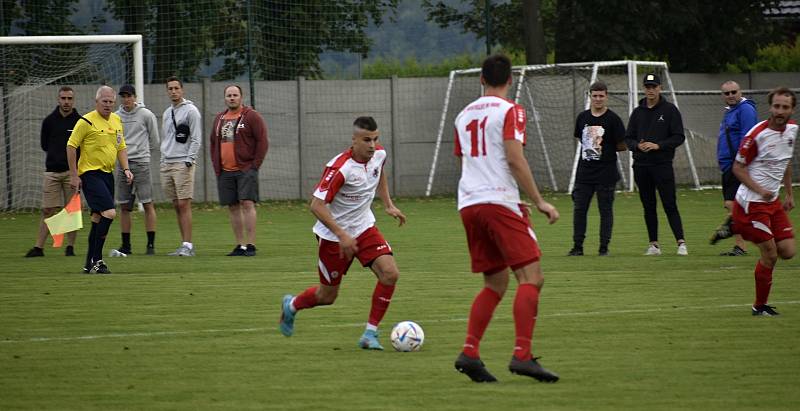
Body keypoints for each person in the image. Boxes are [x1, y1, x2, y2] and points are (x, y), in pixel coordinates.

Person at [452, 54, 559, 383]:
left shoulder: (462, 115)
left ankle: (470, 353)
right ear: (510, 80)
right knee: (532, 278)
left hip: (469, 204)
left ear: (481, 79)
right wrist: (538, 200)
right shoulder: (511, 110)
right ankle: (522, 356)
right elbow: (514, 158)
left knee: (495, 283)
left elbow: (465, 161)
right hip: (498, 200)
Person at [278, 116, 406, 351]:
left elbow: (380, 173)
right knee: (327, 296)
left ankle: (370, 334)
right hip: (333, 238)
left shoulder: (378, 154)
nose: (372, 145)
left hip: (365, 227)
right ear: (354, 140)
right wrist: (342, 234)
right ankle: (292, 305)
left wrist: (388, 204)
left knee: (390, 273)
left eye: (376, 139)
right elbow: (316, 205)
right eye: (366, 140)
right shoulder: (340, 168)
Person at [727, 87, 796, 316]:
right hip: (752, 204)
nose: (780, 111)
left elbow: (784, 161)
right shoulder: (756, 134)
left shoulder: (793, 130)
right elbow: (737, 168)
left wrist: (788, 194)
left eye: (785, 107)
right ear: (770, 107)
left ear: (792, 110)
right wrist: (760, 189)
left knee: (788, 251)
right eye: (776, 106)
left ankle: (735, 226)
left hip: (773, 202)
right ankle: (759, 306)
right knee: (770, 254)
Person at [66, 86, 133, 274]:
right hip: (90, 174)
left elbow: (121, 147)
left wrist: (126, 169)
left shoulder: (117, 120)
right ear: (97, 102)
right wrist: (74, 174)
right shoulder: (86, 121)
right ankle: (98, 260)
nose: (108, 105)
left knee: (97, 218)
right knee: (110, 213)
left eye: (111, 102)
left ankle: (89, 263)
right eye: (105, 101)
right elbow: (71, 146)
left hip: (107, 175)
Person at [624, 73, 688, 256]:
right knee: (648, 205)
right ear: (644, 89)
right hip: (641, 166)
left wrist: (658, 145)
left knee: (669, 203)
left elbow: (678, 137)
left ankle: (681, 242)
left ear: (660, 88)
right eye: (647, 87)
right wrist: (638, 145)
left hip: (662, 165)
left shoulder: (670, 110)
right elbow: (628, 138)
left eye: (654, 86)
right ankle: (653, 245)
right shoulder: (637, 112)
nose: (650, 90)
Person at [568, 81, 627, 257]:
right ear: (590, 96)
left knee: (605, 210)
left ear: (606, 96)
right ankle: (577, 247)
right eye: (595, 96)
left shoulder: (614, 119)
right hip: (585, 172)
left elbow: (622, 145)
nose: (598, 99)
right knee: (579, 210)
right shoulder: (582, 118)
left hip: (606, 173)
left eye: (601, 96)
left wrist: (604, 147)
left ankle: (604, 247)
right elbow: (580, 138)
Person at [209, 85, 269, 256]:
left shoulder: (251, 116)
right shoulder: (219, 118)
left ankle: (250, 244)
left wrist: (254, 166)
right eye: (229, 95)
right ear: (225, 98)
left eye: (235, 95)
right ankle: (239, 245)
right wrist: (216, 165)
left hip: (246, 169)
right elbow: (213, 142)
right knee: (233, 207)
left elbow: (262, 141)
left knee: (247, 203)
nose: (232, 98)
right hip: (225, 171)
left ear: (241, 97)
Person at [26, 86, 82, 258]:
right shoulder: (49, 121)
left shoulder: (80, 121)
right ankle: (39, 248)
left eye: (69, 99)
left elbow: (82, 148)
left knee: (72, 210)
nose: (66, 102)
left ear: (73, 100)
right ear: (58, 99)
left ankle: (70, 247)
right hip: (51, 172)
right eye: (63, 98)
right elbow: (44, 145)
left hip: (72, 173)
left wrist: (76, 173)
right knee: (47, 210)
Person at [110, 85, 160, 257]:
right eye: (123, 96)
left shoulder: (146, 114)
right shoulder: (115, 117)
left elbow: (154, 140)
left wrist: (144, 156)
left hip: (141, 163)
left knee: (147, 203)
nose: (126, 99)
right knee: (124, 206)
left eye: (129, 96)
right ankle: (126, 245)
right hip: (123, 164)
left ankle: (151, 244)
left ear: (135, 97)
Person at [709, 81, 757, 256]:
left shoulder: (745, 110)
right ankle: (739, 241)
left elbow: (748, 137)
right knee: (734, 205)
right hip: (729, 165)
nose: (730, 96)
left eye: (733, 92)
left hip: (738, 165)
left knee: (732, 204)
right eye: (726, 93)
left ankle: (733, 233)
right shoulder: (730, 111)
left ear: (740, 91)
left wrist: (741, 162)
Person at [160, 76, 202, 257]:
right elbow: (166, 138)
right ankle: (183, 243)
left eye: (176, 88)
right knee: (176, 204)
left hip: (183, 162)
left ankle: (188, 245)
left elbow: (196, 138)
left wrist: (189, 159)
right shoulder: (166, 113)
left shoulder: (191, 111)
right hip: (167, 162)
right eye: (170, 88)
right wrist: (163, 159)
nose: (173, 91)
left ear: (182, 90)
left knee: (184, 204)